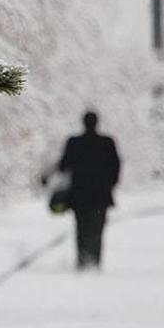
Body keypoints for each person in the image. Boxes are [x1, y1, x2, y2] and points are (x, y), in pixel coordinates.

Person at [55, 111, 121, 270]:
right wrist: (109, 184)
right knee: (97, 229)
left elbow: (63, 165)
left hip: (79, 195)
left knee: (81, 228)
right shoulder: (107, 142)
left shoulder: (74, 142)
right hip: (100, 196)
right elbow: (116, 166)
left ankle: (82, 261)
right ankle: (95, 261)